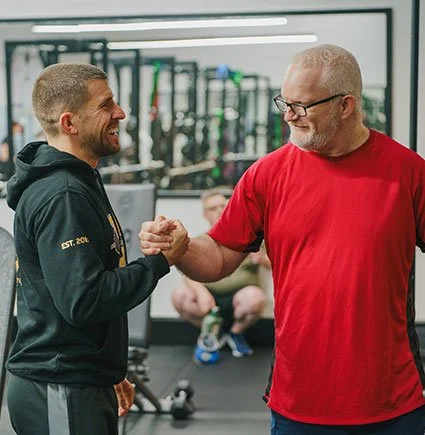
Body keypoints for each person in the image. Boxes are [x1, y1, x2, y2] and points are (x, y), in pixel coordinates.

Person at [139, 44, 425, 434]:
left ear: (346, 105)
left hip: (394, 402)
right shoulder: (267, 175)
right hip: (299, 399)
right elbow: (221, 253)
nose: (288, 116)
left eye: (302, 106)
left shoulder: (407, 172)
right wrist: (183, 247)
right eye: (284, 102)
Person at [5, 62, 188, 435]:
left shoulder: (80, 179)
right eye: (106, 105)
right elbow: (84, 301)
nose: (120, 113)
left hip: (82, 378)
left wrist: (109, 370)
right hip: (60, 385)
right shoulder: (63, 194)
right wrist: (160, 262)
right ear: (70, 123)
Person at [172, 188, 270, 364]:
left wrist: (261, 259)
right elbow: (186, 272)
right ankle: (213, 334)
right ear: (205, 214)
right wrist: (201, 293)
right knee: (179, 296)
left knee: (256, 298)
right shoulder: (201, 241)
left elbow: (274, 264)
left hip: (239, 297)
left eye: (223, 206)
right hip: (210, 299)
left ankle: (235, 333)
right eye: (212, 208)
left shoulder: (251, 237)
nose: (219, 210)